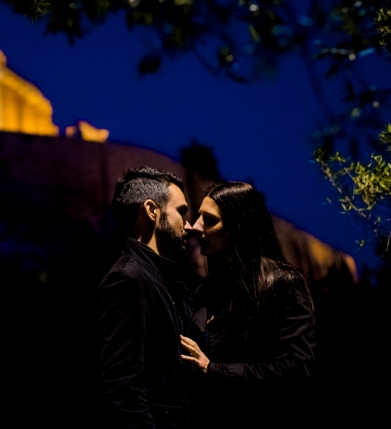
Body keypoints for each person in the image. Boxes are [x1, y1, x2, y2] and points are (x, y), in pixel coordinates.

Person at [180, 181, 316, 425]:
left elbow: (294, 371)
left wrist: (213, 370)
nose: (195, 226)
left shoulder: (282, 284)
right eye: (198, 216)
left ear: (238, 226)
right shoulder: (204, 292)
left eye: (209, 220)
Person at [96, 166, 198, 429]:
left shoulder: (158, 279)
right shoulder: (128, 279)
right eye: (181, 212)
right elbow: (122, 386)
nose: (188, 225)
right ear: (152, 211)